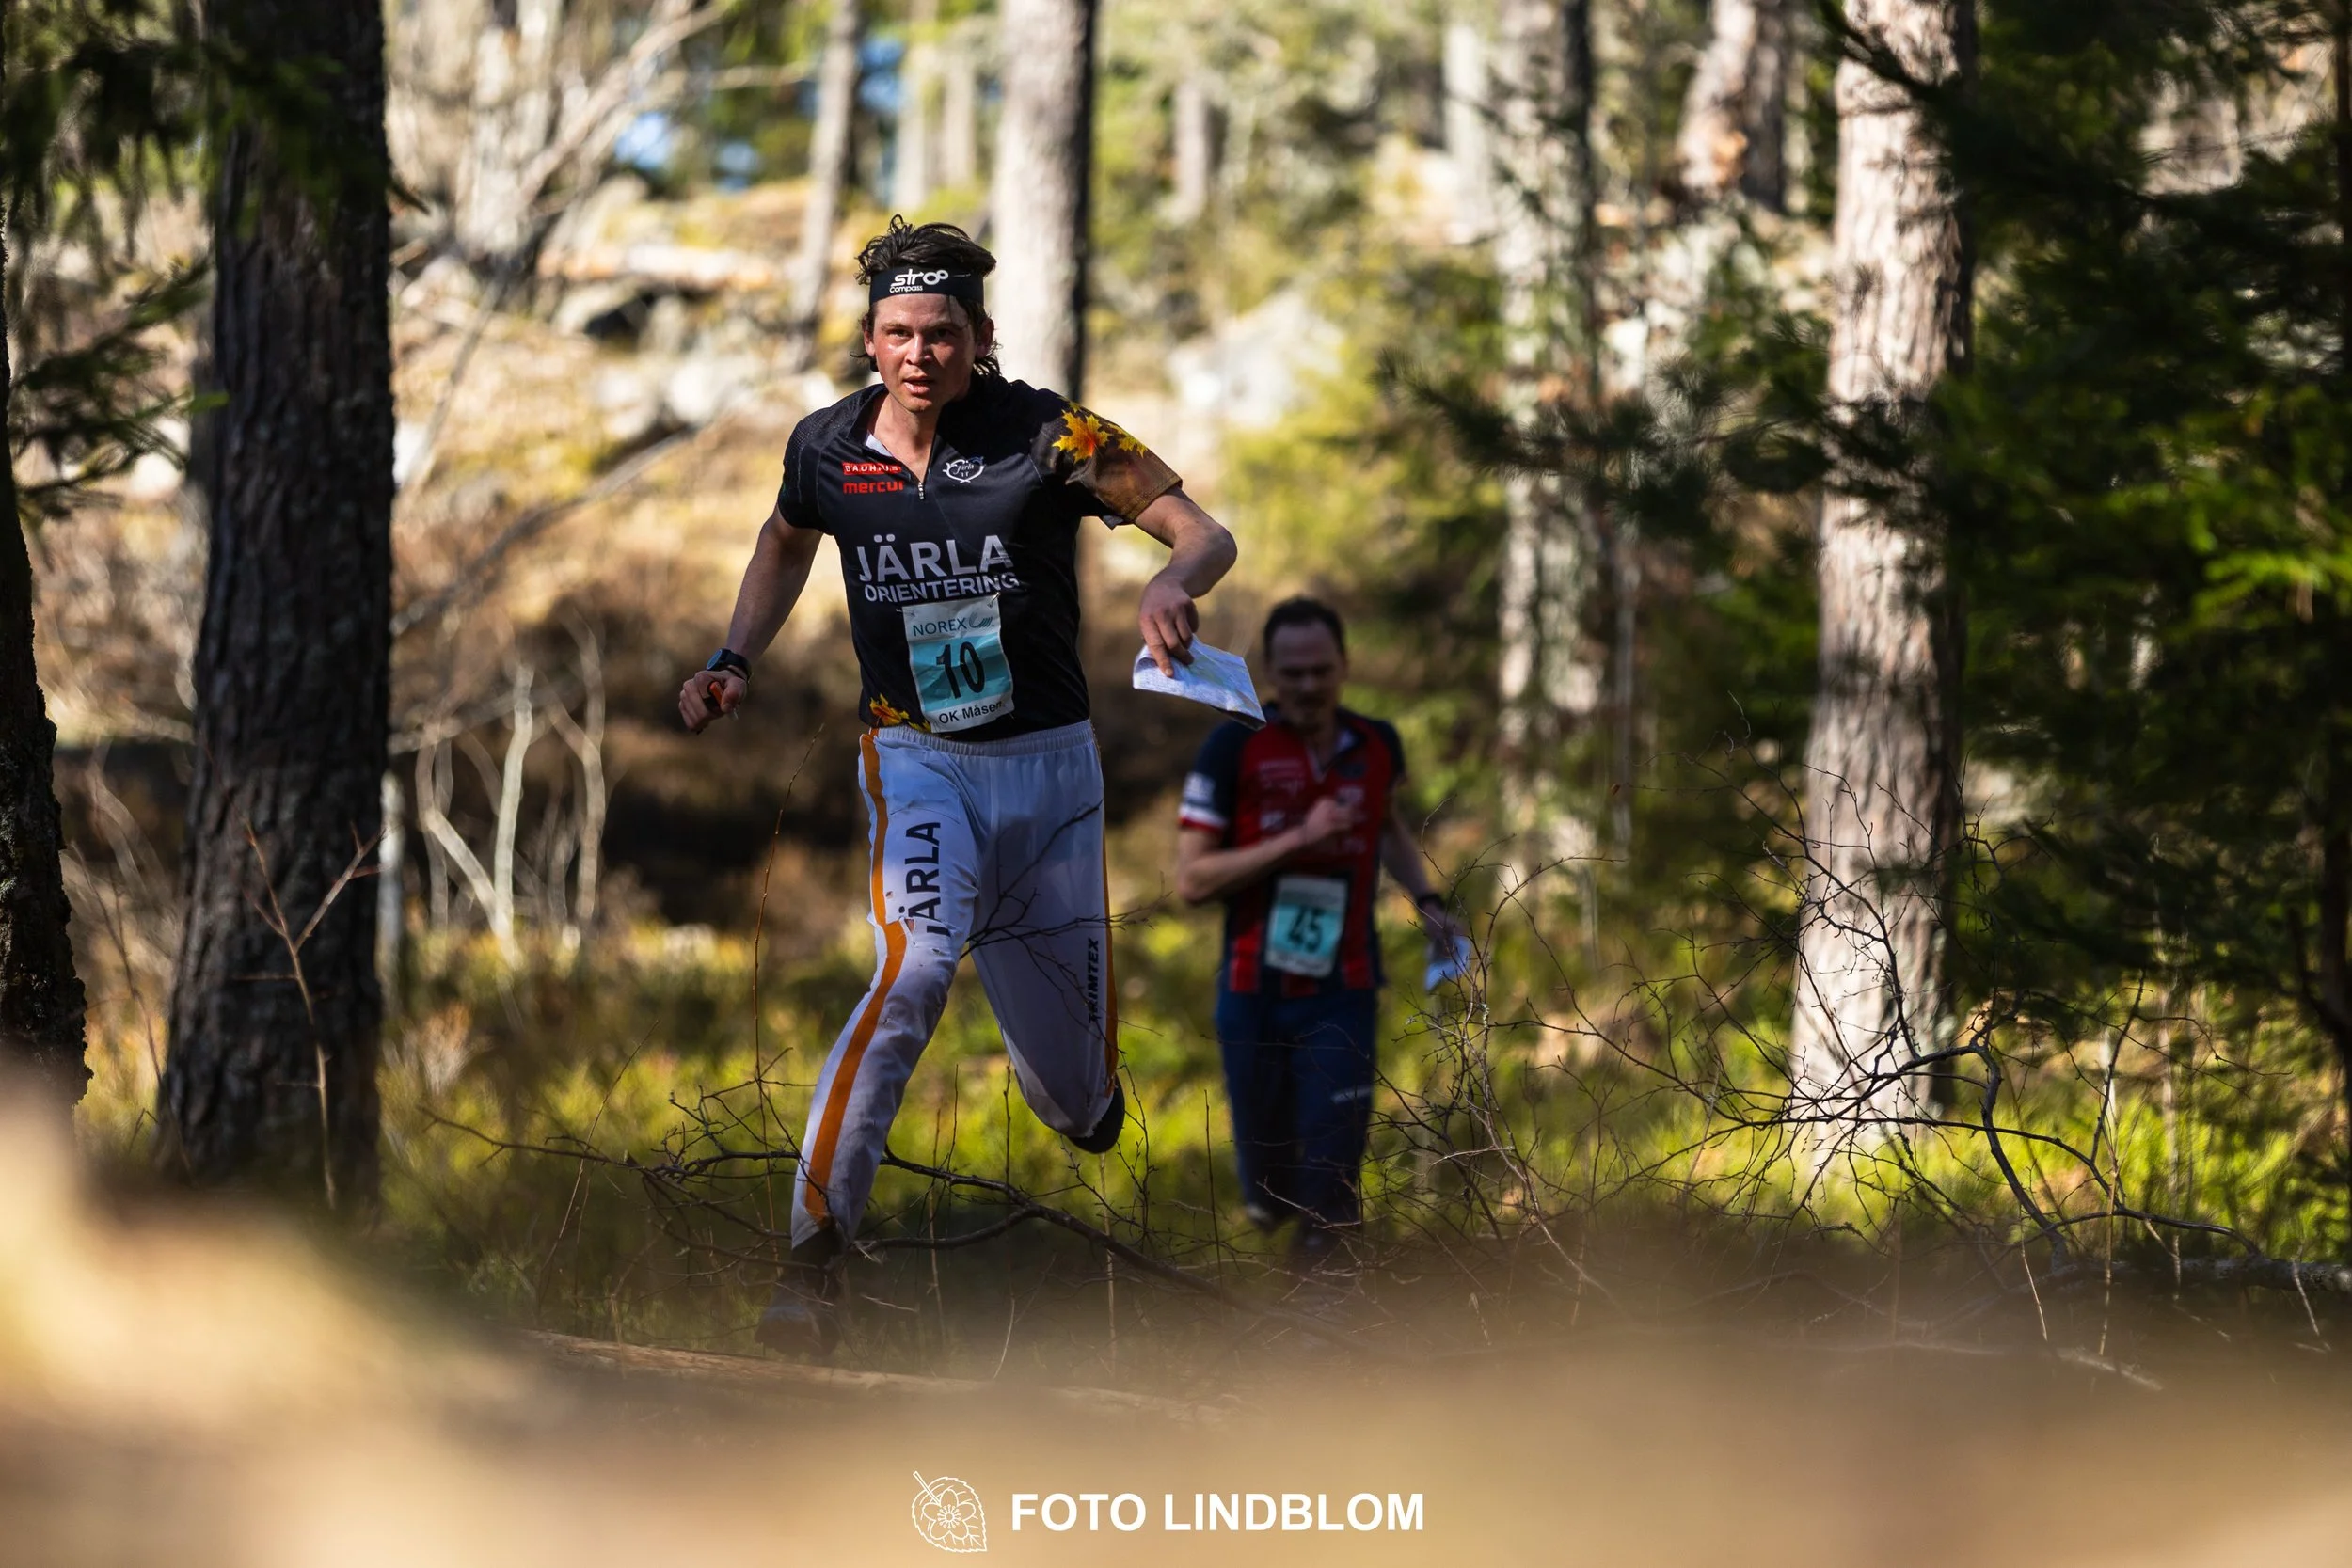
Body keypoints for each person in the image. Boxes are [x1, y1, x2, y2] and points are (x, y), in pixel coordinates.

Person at [680, 217, 1237, 1352]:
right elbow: (785, 541)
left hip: (1050, 772)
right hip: (916, 758)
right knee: (913, 968)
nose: (919, 354)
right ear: (869, 342)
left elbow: (1201, 530)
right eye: (897, 333)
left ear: (981, 338)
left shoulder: (1051, 432)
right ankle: (812, 1262)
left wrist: (1171, 584)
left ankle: (1078, 1093)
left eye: (942, 333)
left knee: (1078, 1102)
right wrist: (733, 657)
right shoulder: (826, 449)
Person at [1174, 597, 1461, 1268]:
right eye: (1293, 673)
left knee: (1331, 1179)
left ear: (1344, 667)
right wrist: (1300, 838)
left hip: (1344, 989)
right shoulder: (1233, 745)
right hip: (1254, 991)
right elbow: (1192, 880)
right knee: (1271, 1193)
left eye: (1321, 671)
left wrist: (1427, 899)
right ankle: (1277, 1217)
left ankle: (1324, 1322)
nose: (1308, 686)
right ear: (1271, 672)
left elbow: (1387, 824)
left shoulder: (1376, 743)